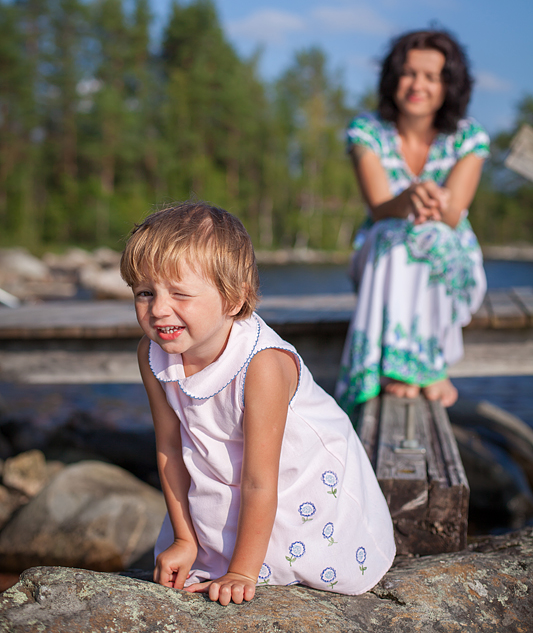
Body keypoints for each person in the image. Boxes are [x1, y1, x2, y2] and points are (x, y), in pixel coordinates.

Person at [120, 201, 395, 606]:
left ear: (233, 300)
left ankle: (256, 560)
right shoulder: (152, 355)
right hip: (228, 471)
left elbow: (260, 480)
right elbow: (171, 449)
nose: (159, 309)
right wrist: (184, 538)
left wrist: (242, 571)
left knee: (275, 559)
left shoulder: (262, 365)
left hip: (293, 481)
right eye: (145, 292)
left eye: (180, 293)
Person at [335, 30, 490, 417]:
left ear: (448, 85)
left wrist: (434, 202)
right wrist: (407, 199)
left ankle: (425, 364)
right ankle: (404, 368)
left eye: (431, 76)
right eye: (408, 73)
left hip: (448, 258)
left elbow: (453, 215)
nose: (417, 85)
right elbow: (379, 208)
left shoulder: (469, 138)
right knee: (392, 233)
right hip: (382, 262)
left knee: (432, 233)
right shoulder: (367, 132)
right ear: (393, 78)